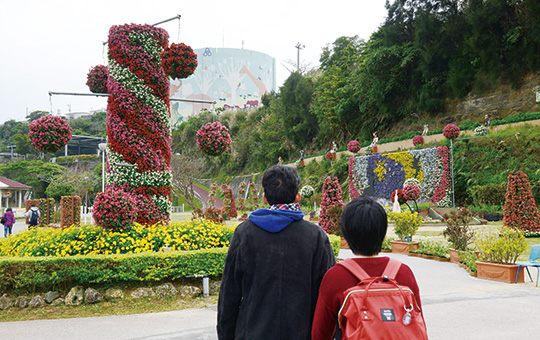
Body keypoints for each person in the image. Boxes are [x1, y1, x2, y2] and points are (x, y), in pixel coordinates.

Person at [217, 165, 336, 340]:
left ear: (265, 197)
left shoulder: (244, 234)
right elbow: (327, 297)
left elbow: (229, 295)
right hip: (302, 333)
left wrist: (226, 335)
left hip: (252, 333)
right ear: (298, 197)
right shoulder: (316, 237)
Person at [312, 197, 422, 340]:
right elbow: (418, 325)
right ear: (382, 232)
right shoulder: (404, 272)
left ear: (346, 233)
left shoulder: (336, 276)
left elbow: (320, 334)